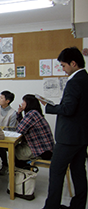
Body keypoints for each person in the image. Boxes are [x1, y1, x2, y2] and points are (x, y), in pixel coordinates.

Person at [43, 47, 88, 209]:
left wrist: (50, 107)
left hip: (68, 137)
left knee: (56, 171)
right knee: (78, 171)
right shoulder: (86, 79)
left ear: (73, 63)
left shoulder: (74, 82)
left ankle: (52, 206)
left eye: (63, 65)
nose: (62, 69)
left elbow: (68, 109)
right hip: (82, 136)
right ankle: (79, 205)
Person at [16, 94, 54, 168]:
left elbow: (19, 130)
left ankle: (22, 172)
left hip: (41, 151)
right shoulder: (35, 113)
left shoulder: (32, 114)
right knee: (17, 148)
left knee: (13, 151)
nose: (22, 103)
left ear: (29, 103)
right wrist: (19, 114)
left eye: (24, 101)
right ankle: (23, 170)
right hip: (46, 149)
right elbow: (23, 126)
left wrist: (19, 115)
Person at [0, 90, 17, 175]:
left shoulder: (13, 113)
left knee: (1, 146)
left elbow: (12, 129)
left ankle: (5, 165)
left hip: (7, 137)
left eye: (1, 98)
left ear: (7, 101)